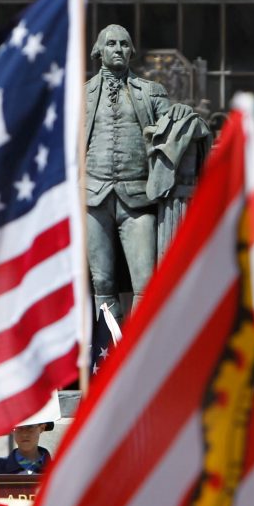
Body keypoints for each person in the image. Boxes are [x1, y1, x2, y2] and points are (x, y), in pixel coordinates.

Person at [85, 24, 193, 326]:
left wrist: (184, 113)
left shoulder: (151, 92)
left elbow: (173, 122)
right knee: (103, 282)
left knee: (146, 281)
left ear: (131, 51)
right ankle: (107, 354)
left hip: (137, 198)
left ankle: (141, 352)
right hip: (93, 195)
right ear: (99, 51)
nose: (118, 49)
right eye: (111, 44)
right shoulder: (81, 96)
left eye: (123, 44)